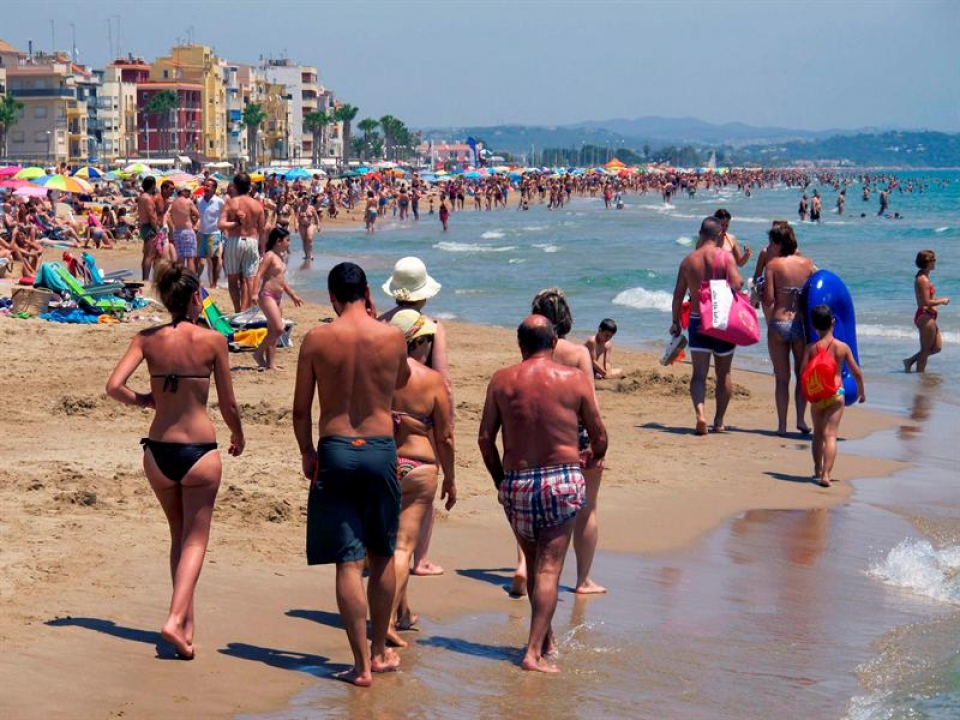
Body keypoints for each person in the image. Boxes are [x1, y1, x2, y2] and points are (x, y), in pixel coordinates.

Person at [105, 263, 245, 660]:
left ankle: (185, 627)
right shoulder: (213, 339)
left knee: (178, 536)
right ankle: (173, 618)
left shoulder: (146, 339)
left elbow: (114, 387)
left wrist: (145, 400)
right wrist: (238, 434)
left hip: (159, 450)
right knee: (196, 539)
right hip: (199, 451)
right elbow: (228, 402)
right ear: (194, 298)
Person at [293, 262, 410, 687]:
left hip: (336, 447)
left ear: (332, 296)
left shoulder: (317, 339)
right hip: (380, 449)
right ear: (366, 292)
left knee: (347, 560)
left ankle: (360, 666)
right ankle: (380, 652)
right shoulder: (392, 335)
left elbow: (302, 408)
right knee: (381, 553)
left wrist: (308, 452)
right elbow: (401, 379)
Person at [478, 315, 607, 673]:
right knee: (549, 569)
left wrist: (500, 481)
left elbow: (485, 439)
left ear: (521, 346)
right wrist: (589, 459)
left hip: (518, 481)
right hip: (561, 479)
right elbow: (600, 436)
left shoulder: (502, 381)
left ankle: (545, 639)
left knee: (535, 565)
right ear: (553, 344)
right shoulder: (575, 379)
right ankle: (533, 653)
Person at [384, 309, 456, 648]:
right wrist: (451, 479)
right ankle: (385, 622)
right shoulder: (432, 380)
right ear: (419, 343)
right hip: (420, 466)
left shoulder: (378, 373)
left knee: (385, 547)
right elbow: (445, 437)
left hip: (381, 463)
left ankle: (403, 612)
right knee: (403, 548)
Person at [530, 288, 606, 595]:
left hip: (540, 434)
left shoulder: (531, 351)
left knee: (538, 507)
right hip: (575, 434)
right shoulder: (577, 353)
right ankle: (582, 580)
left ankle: (527, 568)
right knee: (586, 508)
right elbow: (590, 403)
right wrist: (597, 446)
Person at [379, 257, 451, 577]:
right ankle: (419, 558)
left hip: (384, 413)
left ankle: (382, 550)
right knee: (423, 490)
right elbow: (443, 379)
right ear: (423, 294)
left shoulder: (380, 324)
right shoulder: (433, 328)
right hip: (422, 414)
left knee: (386, 487)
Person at [670, 217, 742, 435]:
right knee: (724, 373)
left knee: (699, 374)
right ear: (719, 235)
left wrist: (675, 323)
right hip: (721, 319)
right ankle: (719, 421)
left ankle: (700, 414)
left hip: (697, 318)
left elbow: (678, 295)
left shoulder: (689, 261)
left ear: (700, 233)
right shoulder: (726, 257)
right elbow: (737, 284)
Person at [802, 305, 865, 487]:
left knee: (818, 435)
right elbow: (856, 372)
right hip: (836, 393)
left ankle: (816, 468)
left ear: (814, 327)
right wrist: (861, 390)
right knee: (831, 435)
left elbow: (803, 372)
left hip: (818, 395)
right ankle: (826, 475)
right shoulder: (841, 347)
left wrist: (808, 391)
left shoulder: (810, 349)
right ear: (833, 322)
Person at [763, 223, 816, 436]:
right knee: (801, 376)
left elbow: (769, 299)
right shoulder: (807, 263)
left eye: (771, 243)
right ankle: (801, 421)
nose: (768, 247)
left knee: (781, 378)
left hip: (778, 323)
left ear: (778, 243)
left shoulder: (773, 265)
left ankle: (782, 425)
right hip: (800, 325)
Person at [253, 227, 303, 371]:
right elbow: (259, 274)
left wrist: (292, 295)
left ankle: (271, 364)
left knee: (272, 332)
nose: (289, 243)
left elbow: (281, 280)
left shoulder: (281, 257)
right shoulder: (269, 256)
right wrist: (254, 293)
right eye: (287, 240)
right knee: (279, 329)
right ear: (278, 241)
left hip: (278, 298)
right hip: (266, 295)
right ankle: (257, 353)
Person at [218, 172, 264, 312]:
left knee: (233, 280)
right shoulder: (257, 205)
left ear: (236, 186)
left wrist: (235, 224)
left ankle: (238, 310)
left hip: (234, 241)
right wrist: (262, 248)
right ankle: (247, 311)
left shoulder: (231, 203)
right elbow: (262, 229)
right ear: (249, 187)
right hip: (251, 241)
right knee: (249, 279)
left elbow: (220, 224)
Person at [904, 250, 950, 373]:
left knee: (937, 347)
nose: (935, 262)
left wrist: (935, 301)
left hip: (929, 316)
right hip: (925, 317)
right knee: (925, 350)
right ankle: (920, 380)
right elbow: (924, 303)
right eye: (933, 260)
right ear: (926, 262)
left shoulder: (924, 276)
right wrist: (942, 301)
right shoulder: (922, 279)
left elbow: (927, 299)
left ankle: (910, 361)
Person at [196, 178, 225, 289]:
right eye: (205, 185)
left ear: (214, 188)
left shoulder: (219, 201)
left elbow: (224, 215)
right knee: (198, 259)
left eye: (208, 186)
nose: (206, 188)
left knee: (214, 259)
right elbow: (197, 215)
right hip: (201, 233)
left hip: (214, 233)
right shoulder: (199, 201)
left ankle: (213, 283)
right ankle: (197, 280)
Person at [168, 185, 200, 272]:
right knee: (190, 258)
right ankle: (191, 280)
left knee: (180, 258)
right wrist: (194, 220)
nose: (190, 193)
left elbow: (169, 215)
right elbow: (198, 214)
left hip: (177, 232)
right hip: (187, 231)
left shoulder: (173, 203)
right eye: (188, 191)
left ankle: (180, 279)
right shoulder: (188, 201)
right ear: (182, 191)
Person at [137, 176, 160, 280]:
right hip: (149, 227)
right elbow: (151, 216)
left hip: (144, 226)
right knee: (149, 255)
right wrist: (157, 230)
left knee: (147, 254)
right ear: (153, 185)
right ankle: (146, 278)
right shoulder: (148, 199)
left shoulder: (142, 197)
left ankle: (145, 277)